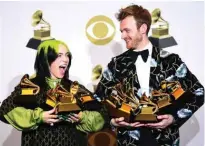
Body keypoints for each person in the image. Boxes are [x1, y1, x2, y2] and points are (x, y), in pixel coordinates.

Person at [95, 4, 204, 146]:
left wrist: (174, 118)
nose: (122, 36)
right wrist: (112, 121)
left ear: (143, 29)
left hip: (165, 140)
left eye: (127, 30)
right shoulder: (116, 64)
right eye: (121, 31)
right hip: (128, 141)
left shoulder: (171, 61)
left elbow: (199, 92)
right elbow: (97, 99)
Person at [0, 40, 106, 146]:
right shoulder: (30, 86)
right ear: (45, 59)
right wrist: (39, 117)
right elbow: (5, 110)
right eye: (59, 55)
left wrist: (82, 117)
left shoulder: (76, 89)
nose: (65, 59)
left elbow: (102, 114)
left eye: (67, 55)